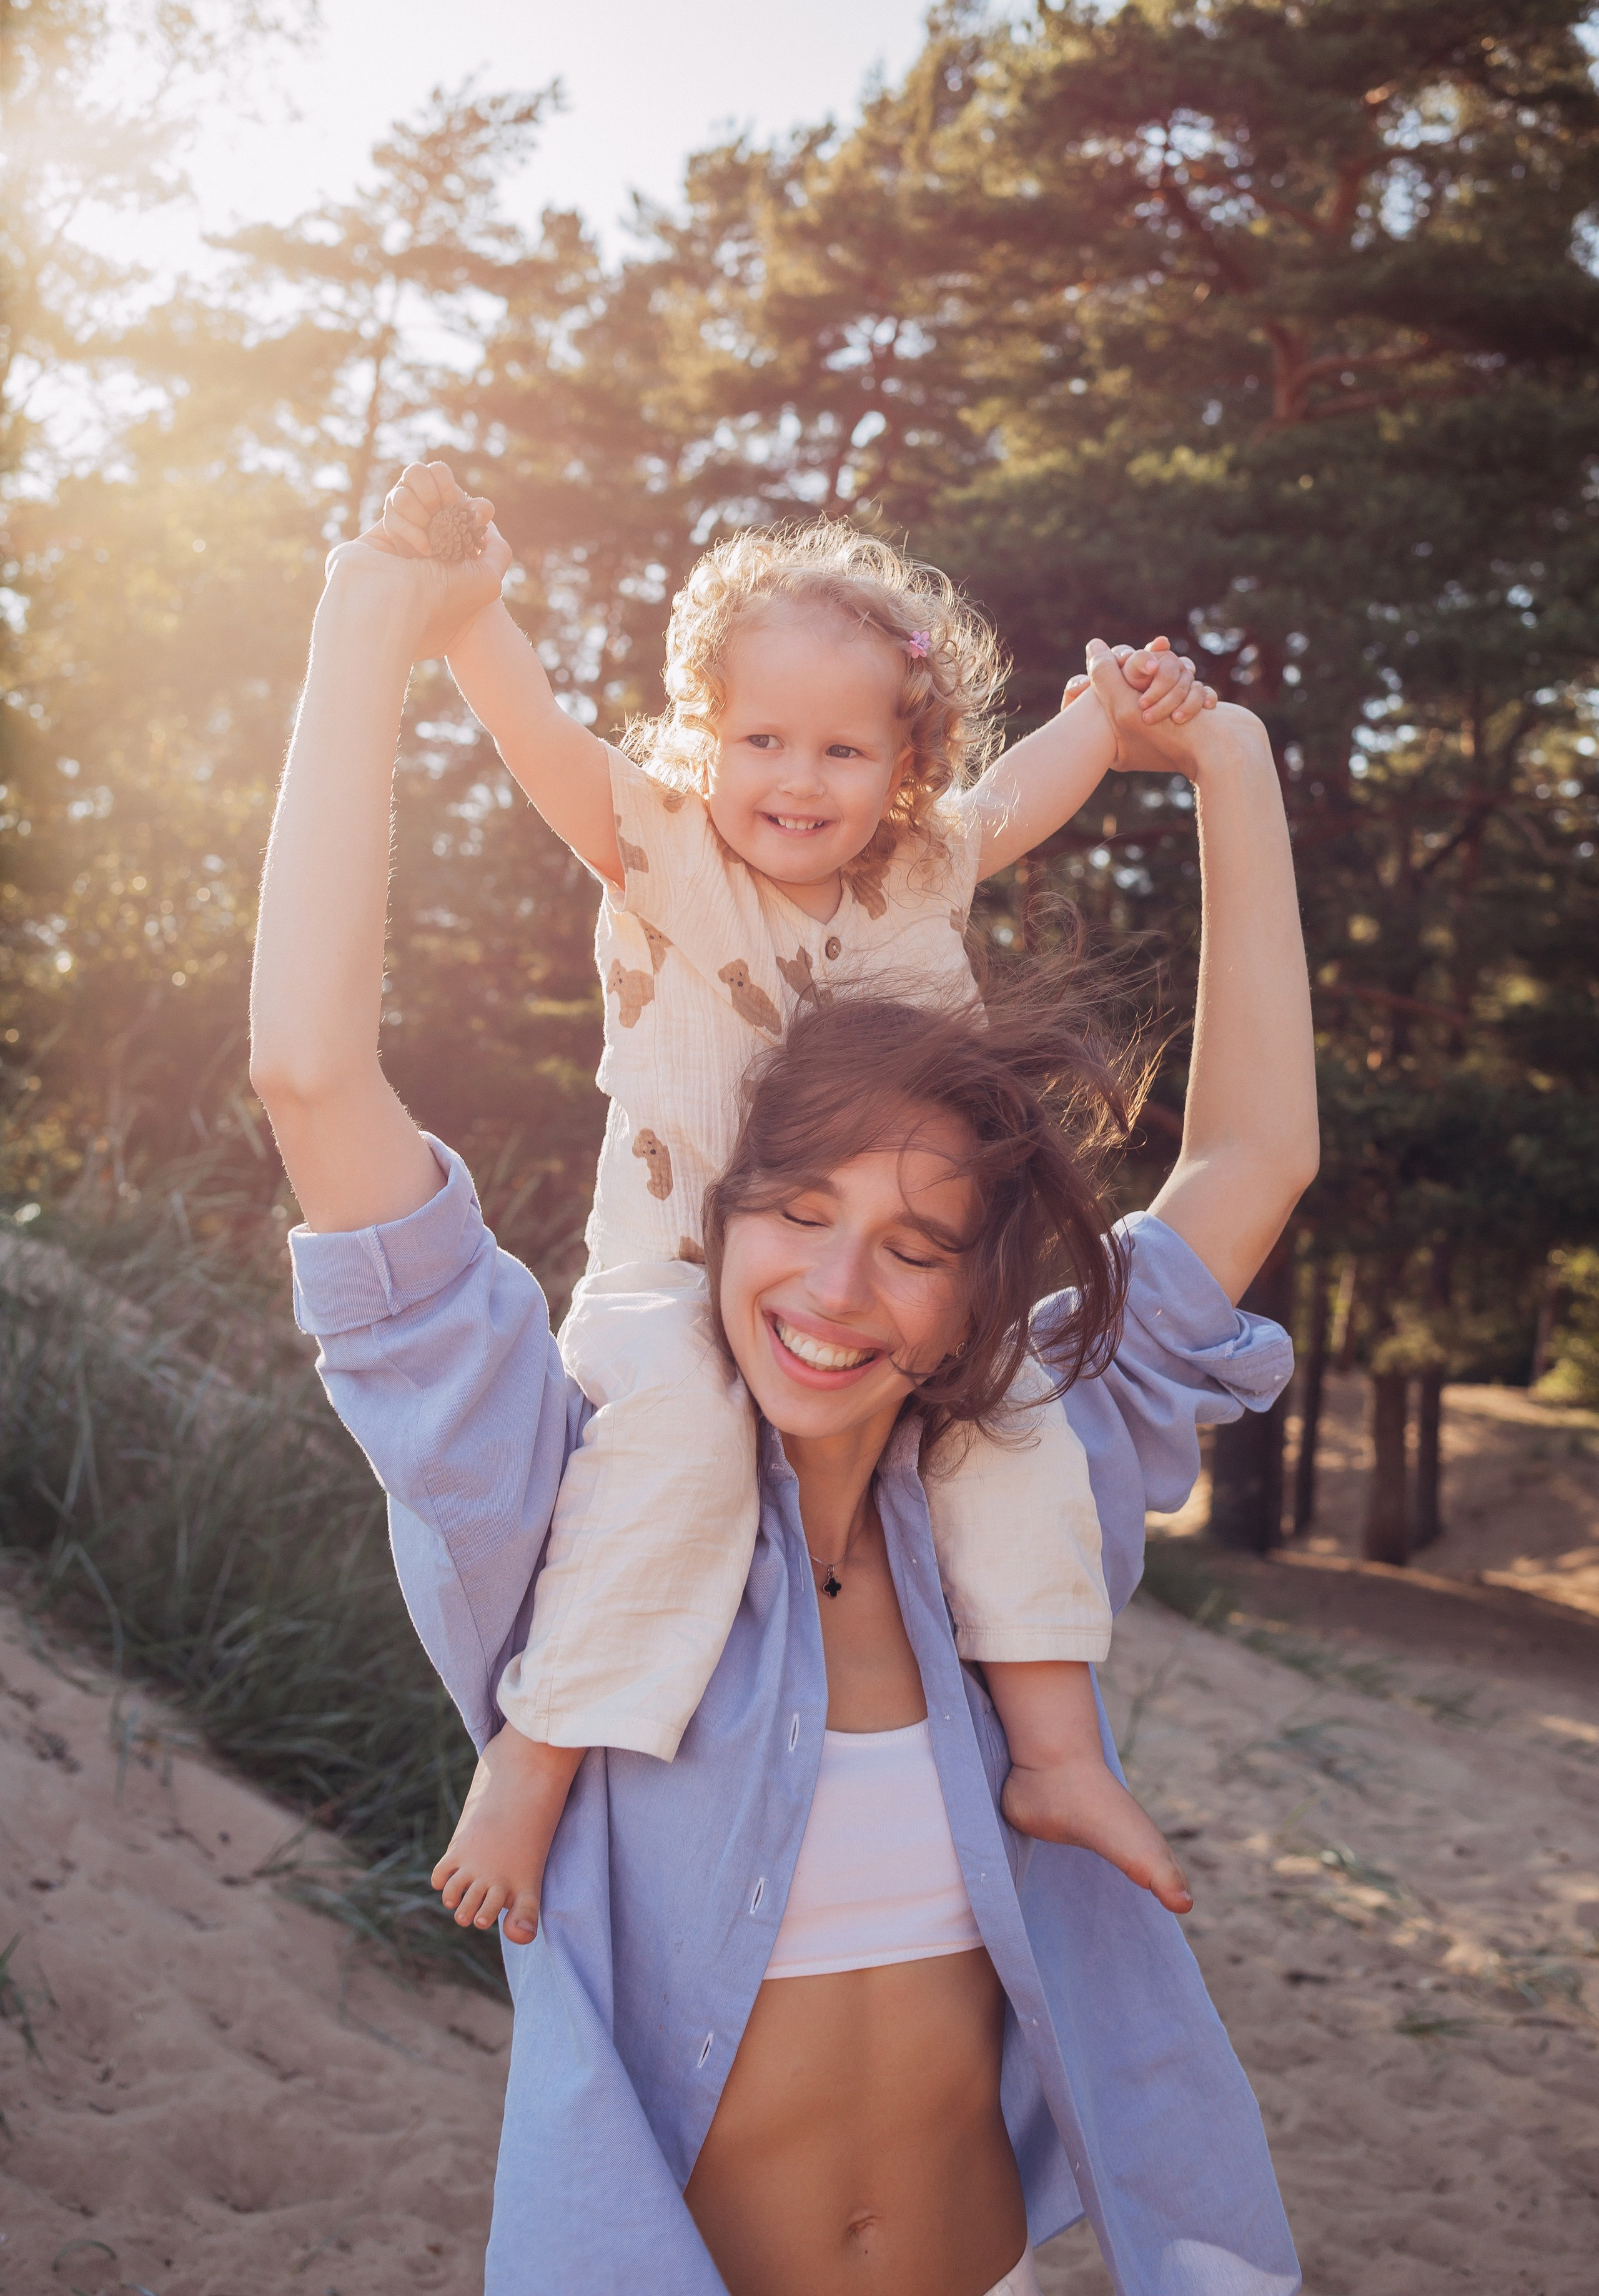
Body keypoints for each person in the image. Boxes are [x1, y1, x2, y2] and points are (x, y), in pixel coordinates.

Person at [249, 511, 1315, 2296]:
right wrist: (385, 626)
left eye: (915, 1243)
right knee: (680, 1394)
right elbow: (307, 1069)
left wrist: (1223, 753)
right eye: (799, 1209)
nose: (837, 1289)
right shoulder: (552, 1489)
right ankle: (533, 1753)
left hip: (995, 2271)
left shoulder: (1015, 1467)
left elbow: (1256, 1151)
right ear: (730, 1195)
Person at [372, 462, 1218, 1944]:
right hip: (676, 1275)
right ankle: (540, 1747)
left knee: (1007, 1412)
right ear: (705, 738)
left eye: (841, 749)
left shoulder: (921, 871)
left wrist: (1111, 706)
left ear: (905, 764)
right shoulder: (669, 862)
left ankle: (1059, 1757)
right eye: (759, 737)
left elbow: (1033, 784)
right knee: (685, 1435)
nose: (796, 778)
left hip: (874, 1287)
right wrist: (471, 614)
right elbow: (546, 743)